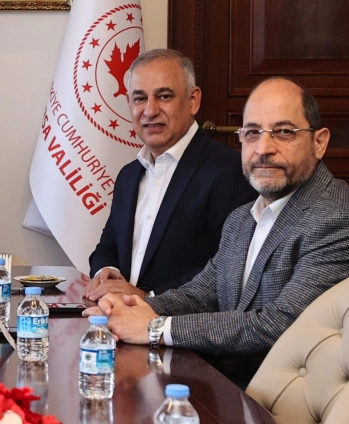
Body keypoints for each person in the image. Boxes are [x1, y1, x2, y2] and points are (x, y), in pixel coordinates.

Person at [95, 77, 349, 387]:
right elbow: (202, 294)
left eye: (284, 132)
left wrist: (155, 328)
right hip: (233, 389)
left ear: (319, 142)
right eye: (252, 133)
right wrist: (127, 310)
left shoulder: (342, 220)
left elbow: (279, 324)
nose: (263, 149)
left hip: (295, 402)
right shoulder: (242, 218)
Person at [85, 49, 256, 300]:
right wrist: (106, 273)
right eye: (139, 98)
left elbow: (228, 268)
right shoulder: (128, 176)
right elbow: (108, 246)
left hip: (179, 322)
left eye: (164, 96)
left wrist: (149, 297)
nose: (150, 110)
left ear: (193, 100)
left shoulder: (228, 170)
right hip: (117, 315)